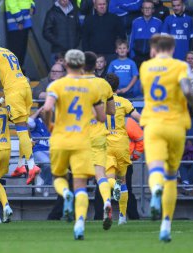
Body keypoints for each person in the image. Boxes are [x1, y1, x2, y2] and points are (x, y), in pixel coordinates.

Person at [140, 34, 193, 242]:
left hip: (154, 124)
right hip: (177, 125)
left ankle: (156, 189)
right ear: (172, 48)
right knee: (171, 174)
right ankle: (166, 225)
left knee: (156, 169)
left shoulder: (145, 67)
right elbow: (187, 90)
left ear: (154, 49)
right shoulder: (180, 67)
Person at [43, 49, 106, 240]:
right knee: (81, 185)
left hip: (60, 138)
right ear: (83, 65)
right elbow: (102, 117)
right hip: (82, 140)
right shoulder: (92, 88)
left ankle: (65, 194)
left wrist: (49, 125)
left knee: (59, 177)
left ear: (66, 64)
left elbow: (46, 108)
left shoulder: (57, 85)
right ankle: (79, 223)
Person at [0, 30, 41, 185]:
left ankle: (32, 165)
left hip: (15, 92)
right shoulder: (8, 52)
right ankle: (21, 166)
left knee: (20, 129)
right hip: (25, 88)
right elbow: (12, 77)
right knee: (25, 128)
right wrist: (1, 100)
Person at [83, 51, 116, 230]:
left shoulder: (75, 85)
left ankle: (79, 221)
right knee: (100, 175)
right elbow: (111, 111)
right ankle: (106, 202)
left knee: (79, 178)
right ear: (96, 65)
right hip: (99, 134)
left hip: (79, 136)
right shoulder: (104, 84)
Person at [104, 73, 141, 226]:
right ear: (117, 87)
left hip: (106, 143)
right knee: (123, 180)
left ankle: (107, 212)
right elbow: (139, 118)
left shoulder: (99, 102)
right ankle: (122, 217)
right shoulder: (124, 102)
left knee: (108, 180)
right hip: (121, 144)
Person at [82, 0, 125, 64]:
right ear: (95, 6)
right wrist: (87, 53)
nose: (102, 6)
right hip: (94, 55)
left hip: (111, 54)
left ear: (107, 5)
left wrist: (117, 50)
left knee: (111, 74)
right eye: (99, 4)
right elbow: (85, 38)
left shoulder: (115, 18)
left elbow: (122, 36)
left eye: (104, 4)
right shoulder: (88, 19)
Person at [130, 0, 163, 67]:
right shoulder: (136, 22)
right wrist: (132, 55)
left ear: (153, 10)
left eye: (149, 8)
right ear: (142, 10)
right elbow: (131, 39)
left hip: (152, 56)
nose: (147, 10)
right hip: (137, 57)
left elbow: (161, 41)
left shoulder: (159, 22)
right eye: (145, 8)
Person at [28, 106, 53, 197]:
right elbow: (28, 122)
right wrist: (38, 111)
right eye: (42, 111)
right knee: (47, 164)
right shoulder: (36, 122)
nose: (45, 113)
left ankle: (41, 176)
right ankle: (46, 186)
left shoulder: (52, 123)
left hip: (51, 150)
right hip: (38, 150)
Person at [5, 0, 35, 67]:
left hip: (25, 23)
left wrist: (32, 6)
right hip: (16, 24)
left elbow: (30, 1)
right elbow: (11, 4)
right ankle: (14, 73)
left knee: (22, 51)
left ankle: (20, 71)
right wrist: (20, 20)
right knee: (16, 52)